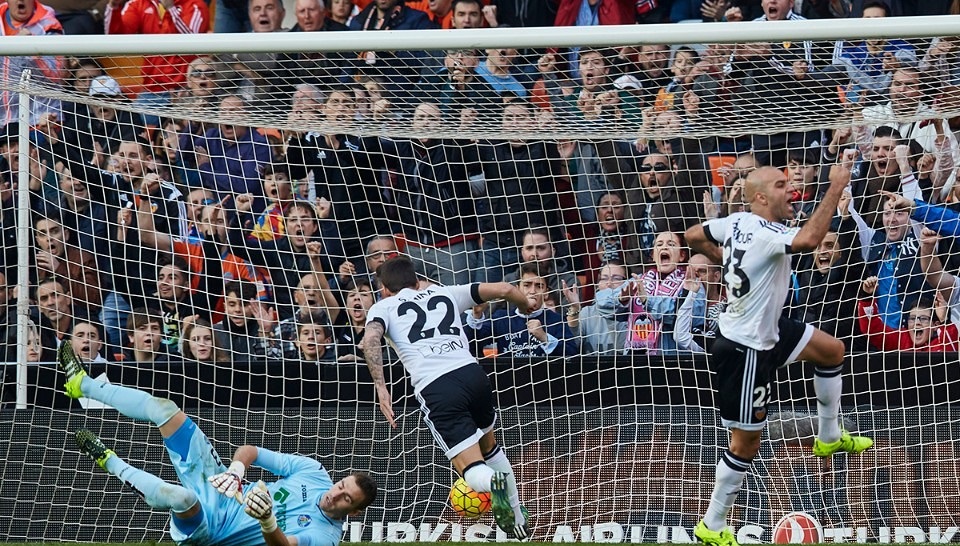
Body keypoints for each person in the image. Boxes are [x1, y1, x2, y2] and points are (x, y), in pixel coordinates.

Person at [684, 165, 873, 546]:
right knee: (745, 445)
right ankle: (713, 524)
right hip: (746, 349)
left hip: (769, 328)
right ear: (760, 197)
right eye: (781, 185)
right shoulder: (766, 233)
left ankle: (829, 436)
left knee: (832, 350)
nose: (792, 190)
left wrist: (725, 259)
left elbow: (691, 235)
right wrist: (836, 186)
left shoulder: (736, 222)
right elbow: (809, 240)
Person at [56, 340, 378, 546]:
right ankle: (82, 383)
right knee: (165, 409)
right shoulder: (314, 472)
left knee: (180, 498)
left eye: (346, 498)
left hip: (211, 532)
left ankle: (109, 460)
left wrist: (267, 520)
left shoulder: (327, 537)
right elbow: (251, 451)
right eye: (341, 485)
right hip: (222, 486)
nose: (335, 494)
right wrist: (237, 470)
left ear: (355, 512)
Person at [361, 255, 531, 540]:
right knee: (490, 448)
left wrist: (381, 386)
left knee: (472, 468)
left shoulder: (384, 306)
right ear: (416, 280)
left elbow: (369, 340)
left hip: (437, 386)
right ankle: (516, 522)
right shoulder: (445, 293)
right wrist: (527, 306)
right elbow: (504, 290)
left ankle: (492, 481)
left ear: (384, 289)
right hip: (473, 375)